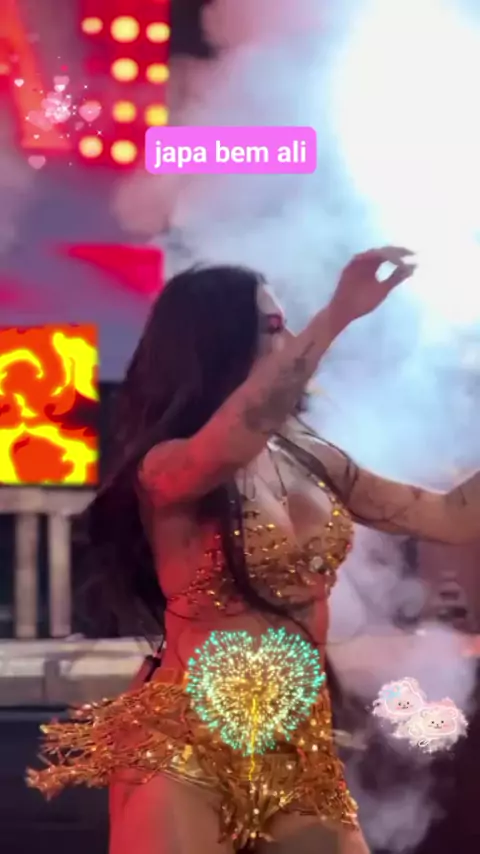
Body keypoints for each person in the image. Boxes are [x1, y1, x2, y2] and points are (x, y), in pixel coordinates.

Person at [27, 248, 480, 854]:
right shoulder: (168, 467)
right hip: (189, 754)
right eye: (273, 326)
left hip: (298, 753)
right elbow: (241, 429)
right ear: (219, 345)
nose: (289, 340)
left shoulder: (310, 455)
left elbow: (448, 517)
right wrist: (336, 316)